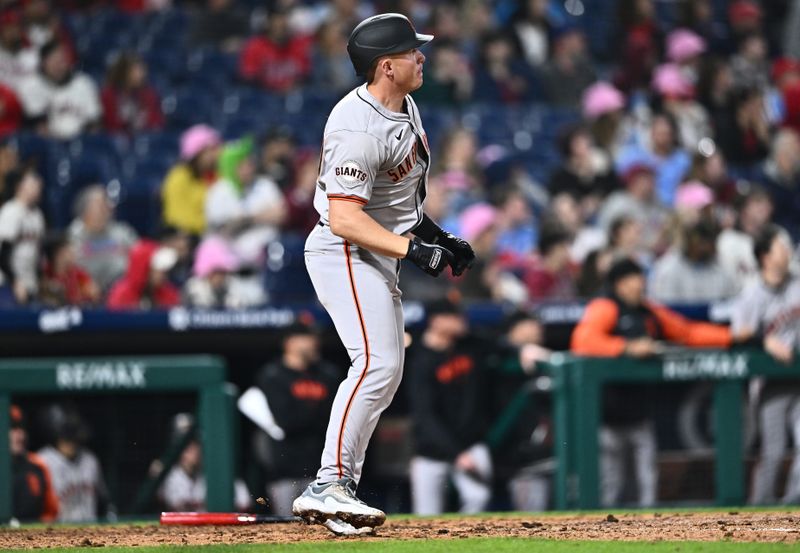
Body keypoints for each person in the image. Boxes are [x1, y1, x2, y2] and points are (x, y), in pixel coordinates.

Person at [291, 13, 475, 537]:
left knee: (385, 371)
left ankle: (337, 492)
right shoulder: (356, 127)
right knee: (375, 362)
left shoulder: (406, 104)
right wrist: (416, 252)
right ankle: (329, 483)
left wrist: (436, 236)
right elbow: (346, 217)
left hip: (374, 247)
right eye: (412, 51)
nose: (422, 56)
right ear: (385, 65)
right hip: (342, 248)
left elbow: (396, 199)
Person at [571, 258, 746, 507]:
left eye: (641, 278)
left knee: (646, 486)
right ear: (620, 284)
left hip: (640, 414)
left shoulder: (648, 311)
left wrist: (730, 336)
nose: (640, 284)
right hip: (607, 417)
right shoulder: (605, 306)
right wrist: (627, 347)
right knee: (611, 485)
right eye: (634, 279)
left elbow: (687, 333)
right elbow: (583, 341)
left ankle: (649, 540)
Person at [731, 225, 800, 505]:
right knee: (772, 450)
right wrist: (764, 341)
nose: (786, 252)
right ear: (765, 257)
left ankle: (793, 506)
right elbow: (737, 335)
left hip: (798, 378)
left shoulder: (797, 284)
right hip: (770, 382)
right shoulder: (751, 294)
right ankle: (759, 508)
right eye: (780, 248)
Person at [407, 300, 492, 515]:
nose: (461, 321)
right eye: (454, 316)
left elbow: (502, 343)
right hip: (431, 452)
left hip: (470, 444)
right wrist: (456, 453)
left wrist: (523, 350)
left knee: (478, 498)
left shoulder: (471, 345)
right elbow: (425, 416)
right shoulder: (419, 358)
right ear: (436, 321)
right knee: (426, 517)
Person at [251, 323, 340, 515]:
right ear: (290, 343)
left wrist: (310, 415)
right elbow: (287, 420)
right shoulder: (273, 375)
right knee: (286, 525)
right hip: (284, 468)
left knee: (322, 525)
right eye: (306, 338)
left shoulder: (327, 374)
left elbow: (334, 419)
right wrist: (316, 413)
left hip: (319, 468)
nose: (313, 343)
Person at [205, 136, 286, 268]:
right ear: (231, 166)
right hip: (229, 264)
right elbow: (223, 230)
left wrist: (248, 219)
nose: (249, 168)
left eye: (250, 163)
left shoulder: (265, 185)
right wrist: (261, 216)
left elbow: (281, 215)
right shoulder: (218, 191)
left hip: (266, 260)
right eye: (243, 164)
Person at [37, 405, 110, 523]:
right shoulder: (42, 461)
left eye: (73, 436)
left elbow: (103, 500)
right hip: (55, 534)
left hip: (91, 531)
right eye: (66, 436)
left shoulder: (89, 460)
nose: (71, 441)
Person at [18, 39, 100, 139]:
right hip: (48, 144)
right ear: (43, 63)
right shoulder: (31, 86)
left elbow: (94, 124)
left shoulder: (83, 83)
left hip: (82, 142)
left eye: (61, 60)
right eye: (53, 60)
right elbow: (38, 126)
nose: (58, 65)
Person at [649, 218, 739, 303]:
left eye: (709, 243)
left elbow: (732, 302)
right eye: (700, 243)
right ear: (688, 243)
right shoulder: (667, 267)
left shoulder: (723, 267)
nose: (705, 248)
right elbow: (663, 308)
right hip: (675, 318)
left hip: (713, 319)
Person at [67, 185, 138, 294]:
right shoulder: (73, 234)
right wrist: (85, 283)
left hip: (120, 291)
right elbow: (67, 268)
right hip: (84, 291)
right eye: (100, 205)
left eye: (107, 204)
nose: (107, 209)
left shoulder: (122, 232)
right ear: (86, 210)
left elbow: (140, 260)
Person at [160, 438, 251, 512]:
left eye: (197, 446)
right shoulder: (169, 476)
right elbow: (171, 506)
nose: (195, 451)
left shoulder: (217, 475)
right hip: (179, 529)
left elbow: (245, 503)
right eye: (189, 448)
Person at [161, 124, 221, 236]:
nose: (216, 154)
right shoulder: (178, 178)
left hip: (211, 236)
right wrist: (213, 227)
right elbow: (177, 219)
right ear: (196, 153)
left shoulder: (215, 176)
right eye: (211, 150)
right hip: (186, 239)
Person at [238, 7, 313, 93]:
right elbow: (248, 78)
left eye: (283, 24)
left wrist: (294, 85)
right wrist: (274, 89)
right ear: (268, 24)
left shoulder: (298, 46)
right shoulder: (255, 46)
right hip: (262, 97)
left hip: (292, 97)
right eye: (277, 24)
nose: (281, 28)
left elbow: (305, 76)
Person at [0, 167, 45, 306]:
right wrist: (15, 283)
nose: (37, 187)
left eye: (37, 184)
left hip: (29, 283)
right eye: (32, 184)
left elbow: (37, 255)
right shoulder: (11, 211)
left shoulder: (37, 215)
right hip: (7, 283)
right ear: (20, 186)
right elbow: (3, 255)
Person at [183, 236, 265, 308]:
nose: (220, 277)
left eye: (223, 272)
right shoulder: (193, 288)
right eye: (216, 272)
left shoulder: (232, 286)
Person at [10, 405, 59, 523]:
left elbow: (51, 512)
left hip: (31, 536)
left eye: (21, 428)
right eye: (12, 428)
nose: (20, 435)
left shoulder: (37, 465)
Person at [100, 51, 163, 134]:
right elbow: (111, 125)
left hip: (142, 139)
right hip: (115, 141)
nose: (141, 74)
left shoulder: (149, 95)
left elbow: (156, 122)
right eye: (136, 70)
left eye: (142, 70)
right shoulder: (108, 95)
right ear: (125, 72)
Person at [106, 241, 180, 310]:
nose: (163, 273)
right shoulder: (121, 295)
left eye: (164, 269)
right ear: (144, 269)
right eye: (157, 269)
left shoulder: (170, 295)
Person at [40, 233, 100, 307]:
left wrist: (86, 293)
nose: (72, 253)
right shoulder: (45, 272)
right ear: (58, 255)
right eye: (67, 251)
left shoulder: (78, 273)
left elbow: (94, 293)